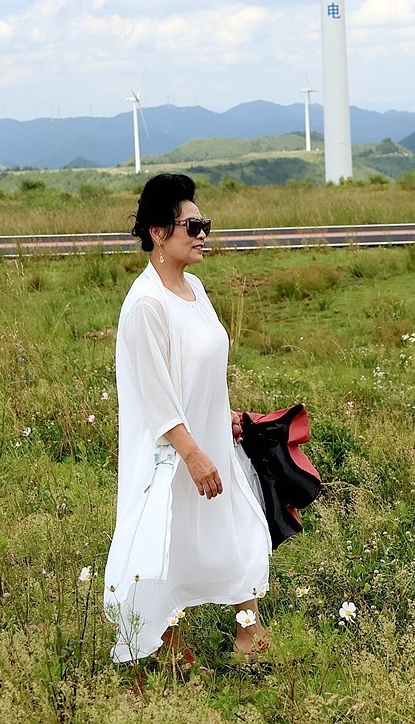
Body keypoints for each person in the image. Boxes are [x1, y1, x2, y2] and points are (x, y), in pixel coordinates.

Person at [103, 172, 271, 667]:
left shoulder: (194, 287)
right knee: (165, 542)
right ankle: (163, 641)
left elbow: (205, 368)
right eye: (191, 225)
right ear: (158, 232)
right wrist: (193, 454)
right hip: (171, 454)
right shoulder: (147, 305)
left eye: (206, 224)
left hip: (209, 439)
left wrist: (226, 417)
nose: (202, 234)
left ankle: (248, 629)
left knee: (232, 528)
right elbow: (155, 395)